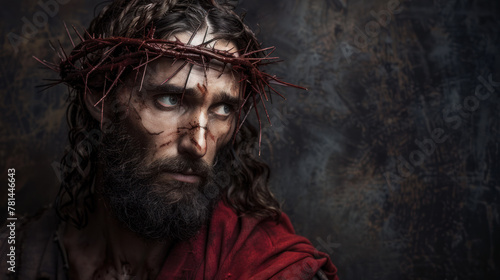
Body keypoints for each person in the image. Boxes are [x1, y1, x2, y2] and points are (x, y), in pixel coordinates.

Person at [1, 0, 339, 279]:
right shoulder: (20, 253)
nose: (199, 145)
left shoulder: (271, 266)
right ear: (100, 97)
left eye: (222, 108)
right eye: (170, 100)